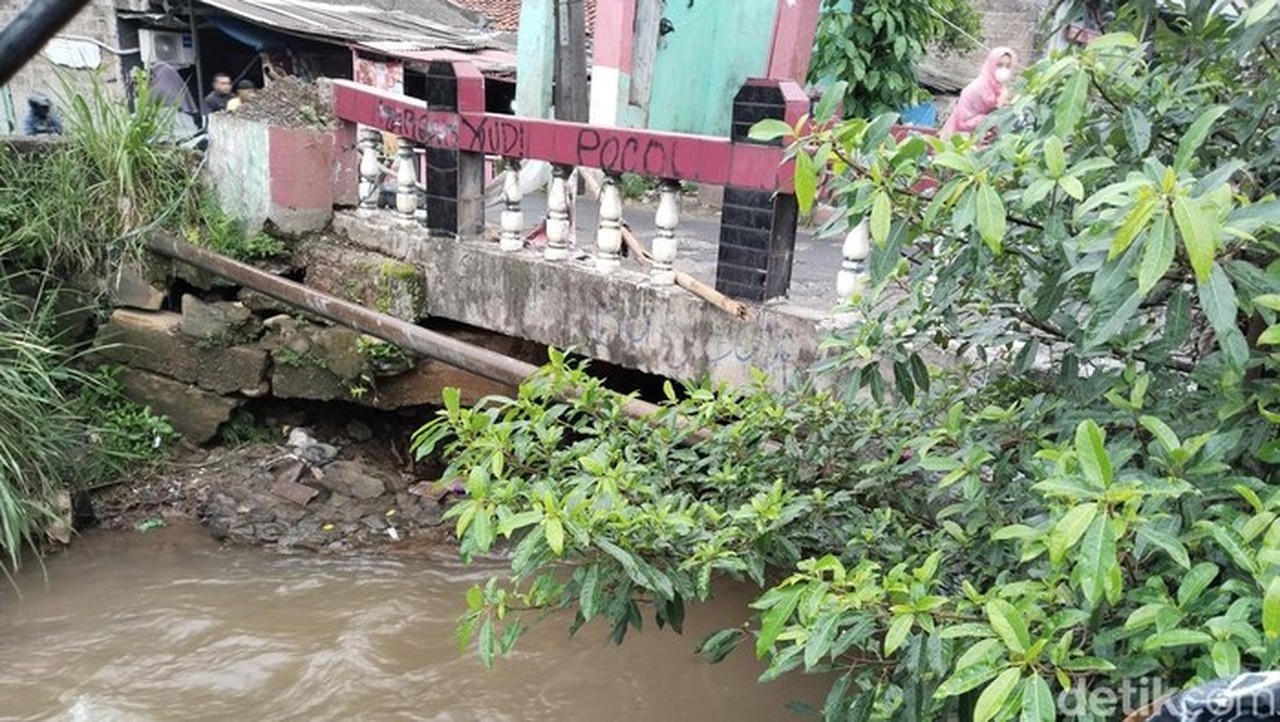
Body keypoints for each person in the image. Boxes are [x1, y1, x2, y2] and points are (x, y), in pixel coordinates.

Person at [940, 47, 1018, 139]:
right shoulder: (979, 87)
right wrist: (1001, 102)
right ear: (991, 65)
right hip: (962, 132)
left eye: (1008, 66)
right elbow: (991, 115)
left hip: (978, 131)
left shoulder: (997, 87)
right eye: (999, 65)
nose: (1004, 70)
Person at [147, 62, 201, 139]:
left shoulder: (157, 87)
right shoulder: (178, 83)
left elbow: (147, 104)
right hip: (184, 119)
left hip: (167, 121)